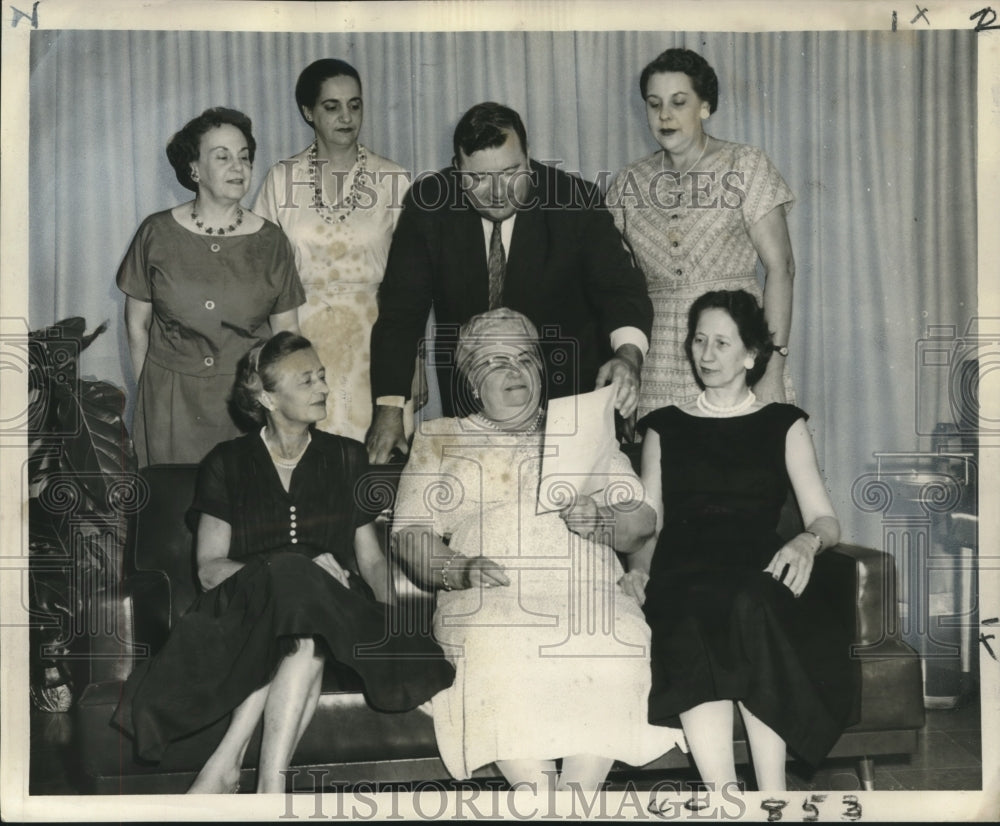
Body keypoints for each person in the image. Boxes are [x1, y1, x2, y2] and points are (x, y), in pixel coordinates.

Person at [112, 332, 454, 794]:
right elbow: (210, 569)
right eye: (306, 380)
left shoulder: (346, 457)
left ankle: (227, 766)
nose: (323, 389)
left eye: (322, 377)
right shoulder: (226, 462)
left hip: (334, 609)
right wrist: (294, 566)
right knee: (295, 608)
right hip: (244, 607)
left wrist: (388, 617)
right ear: (267, 397)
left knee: (304, 610)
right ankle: (270, 787)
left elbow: (372, 561)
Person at [391, 308, 685, 791]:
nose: (516, 371)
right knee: (497, 640)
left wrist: (604, 520)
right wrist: (458, 568)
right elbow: (410, 534)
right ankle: (543, 797)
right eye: (496, 361)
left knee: (614, 637)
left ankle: (572, 800)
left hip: (587, 590)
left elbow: (641, 526)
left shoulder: (582, 427)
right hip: (489, 596)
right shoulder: (440, 437)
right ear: (469, 378)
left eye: (526, 358)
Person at [635, 290, 858, 791]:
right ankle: (724, 798)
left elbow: (825, 519)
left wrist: (805, 542)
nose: (706, 355)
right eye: (698, 341)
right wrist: (638, 571)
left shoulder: (784, 424)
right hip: (684, 575)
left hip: (759, 572)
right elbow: (649, 521)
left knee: (749, 606)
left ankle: (771, 795)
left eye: (720, 343)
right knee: (693, 612)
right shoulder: (663, 427)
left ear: (751, 355)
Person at [367, 101, 654, 464]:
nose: (498, 191)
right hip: (474, 398)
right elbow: (400, 311)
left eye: (510, 172)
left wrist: (627, 357)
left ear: (529, 159)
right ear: (457, 170)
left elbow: (620, 290)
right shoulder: (429, 206)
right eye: (479, 178)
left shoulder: (575, 201)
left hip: (568, 394)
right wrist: (390, 406)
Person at [607, 48, 796, 418]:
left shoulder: (745, 165)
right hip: (658, 361)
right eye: (654, 103)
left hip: (734, 348)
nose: (664, 115)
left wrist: (772, 368)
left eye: (679, 102)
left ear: (705, 107)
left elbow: (782, 268)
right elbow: (616, 284)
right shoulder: (628, 182)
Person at [117, 107, 304, 466]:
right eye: (223, 157)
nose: (238, 166)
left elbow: (287, 335)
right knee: (173, 511)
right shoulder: (155, 233)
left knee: (244, 512)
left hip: (246, 407)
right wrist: (151, 393)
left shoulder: (272, 241)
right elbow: (136, 325)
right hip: (169, 405)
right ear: (194, 169)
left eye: (245, 157)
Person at [255, 59, 417, 442]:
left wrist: (414, 362)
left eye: (355, 105)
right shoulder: (281, 179)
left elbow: (412, 283)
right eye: (332, 106)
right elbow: (262, 274)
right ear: (308, 111)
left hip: (377, 340)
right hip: (300, 337)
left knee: (376, 463)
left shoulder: (393, 179)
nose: (347, 117)